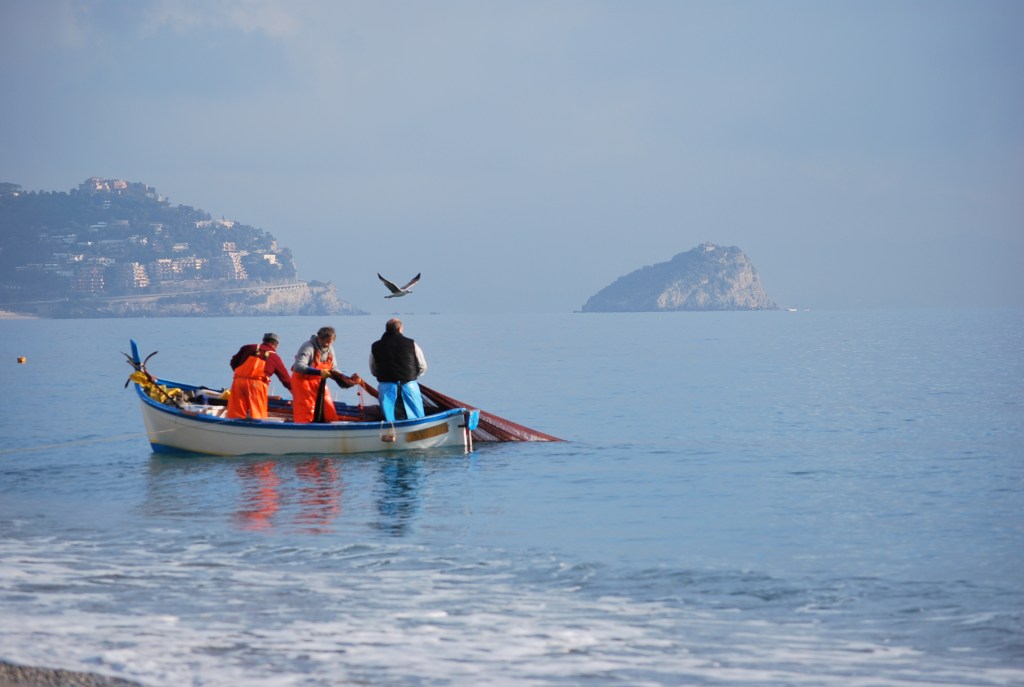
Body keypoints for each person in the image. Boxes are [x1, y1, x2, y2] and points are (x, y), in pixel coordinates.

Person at [291, 326, 360, 423]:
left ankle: (328, 428)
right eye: (326, 342)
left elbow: (333, 369)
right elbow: (298, 366)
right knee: (307, 409)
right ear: (319, 338)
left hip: (319, 383)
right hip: (302, 383)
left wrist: (348, 379)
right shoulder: (308, 347)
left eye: (331, 342)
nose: (328, 345)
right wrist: (319, 372)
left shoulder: (330, 349)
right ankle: (304, 427)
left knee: (328, 408)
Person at [369, 318, 428, 421]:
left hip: (387, 388)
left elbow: (373, 370)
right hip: (409, 387)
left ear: (386, 329)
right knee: (417, 419)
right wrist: (411, 375)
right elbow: (422, 366)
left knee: (390, 420)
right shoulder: (411, 343)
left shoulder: (375, 346)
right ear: (399, 328)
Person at [226, 332, 292, 419]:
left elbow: (233, 362)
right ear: (276, 345)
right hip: (256, 386)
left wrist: (242, 375)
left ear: (263, 340)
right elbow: (285, 379)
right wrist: (295, 394)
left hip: (238, 382)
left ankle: (232, 425)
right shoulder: (274, 357)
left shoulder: (248, 348)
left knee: (235, 414)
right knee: (257, 415)